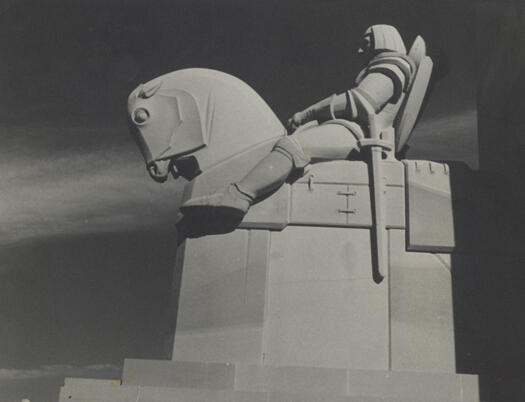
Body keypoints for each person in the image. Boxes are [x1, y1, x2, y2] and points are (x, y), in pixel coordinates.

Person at [180, 24, 416, 220]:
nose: (360, 49)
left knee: (293, 146)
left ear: (383, 40)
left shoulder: (392, 65)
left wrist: (308, 113)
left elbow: (361, 102)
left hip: (357, 133)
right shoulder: (384, 66)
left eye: (366, 42)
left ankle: (239, 196)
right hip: (352, 129)